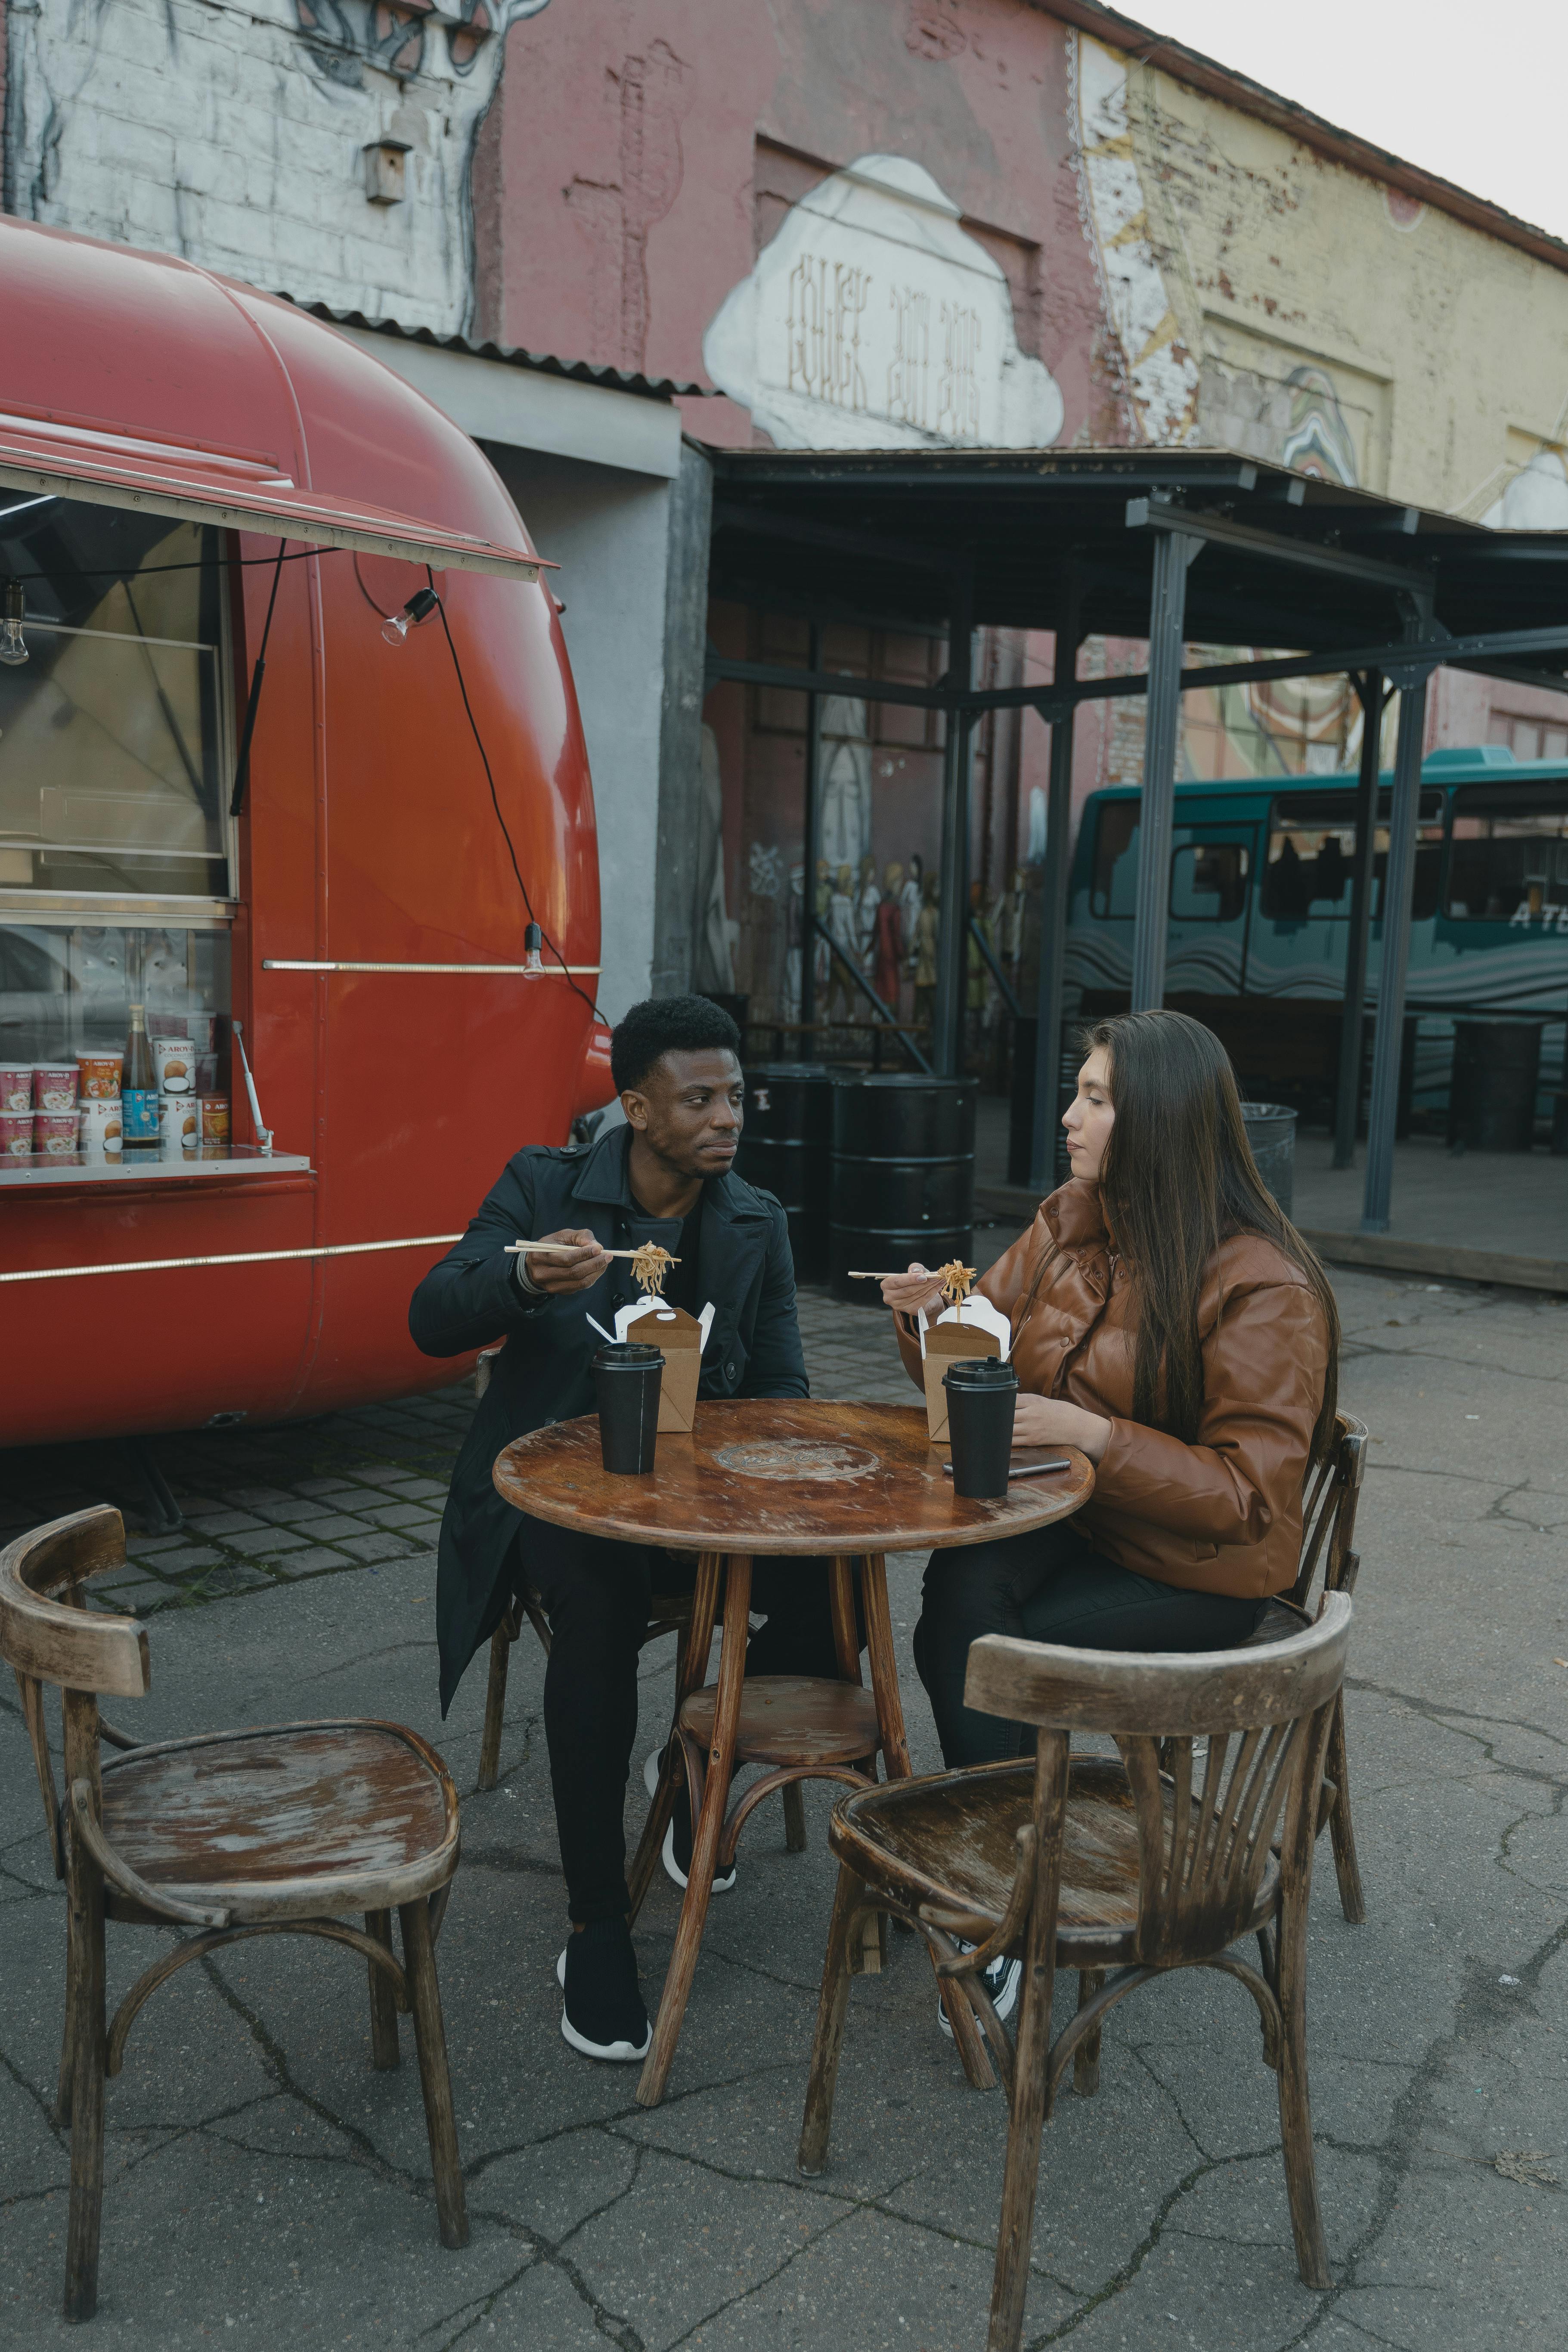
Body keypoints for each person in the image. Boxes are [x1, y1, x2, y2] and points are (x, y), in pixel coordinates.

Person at [410, 996, 851, 2065]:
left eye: (735, 1095)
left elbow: (785, 1389)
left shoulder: (751, 1219)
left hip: (699, 1504)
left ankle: (700, 1755)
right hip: (560, 1502)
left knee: (832, 1571)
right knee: (598, 1609)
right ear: (637, 1107)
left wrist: (771, 1475)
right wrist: (519, 1275)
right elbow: (432, 1313)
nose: (726, 1117)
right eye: (698, 1097)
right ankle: (596, 1926)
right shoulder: (545, 1187)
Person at [878, 1010, 1339, 2023]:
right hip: (1087, 1517)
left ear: (1162, 1121)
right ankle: (1007, 1881)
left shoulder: (1264, 1282)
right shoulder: (1072, 1218)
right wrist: (929, 1324)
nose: (1068, 1117)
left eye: (1094, 1097)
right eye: (1077, 1092)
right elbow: (986, 1354)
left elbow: (1250, 1497)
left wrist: (1091, 1435)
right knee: (957, 1590)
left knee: (997, 1650)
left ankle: (1008, 1910)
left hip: (1203, 1568)